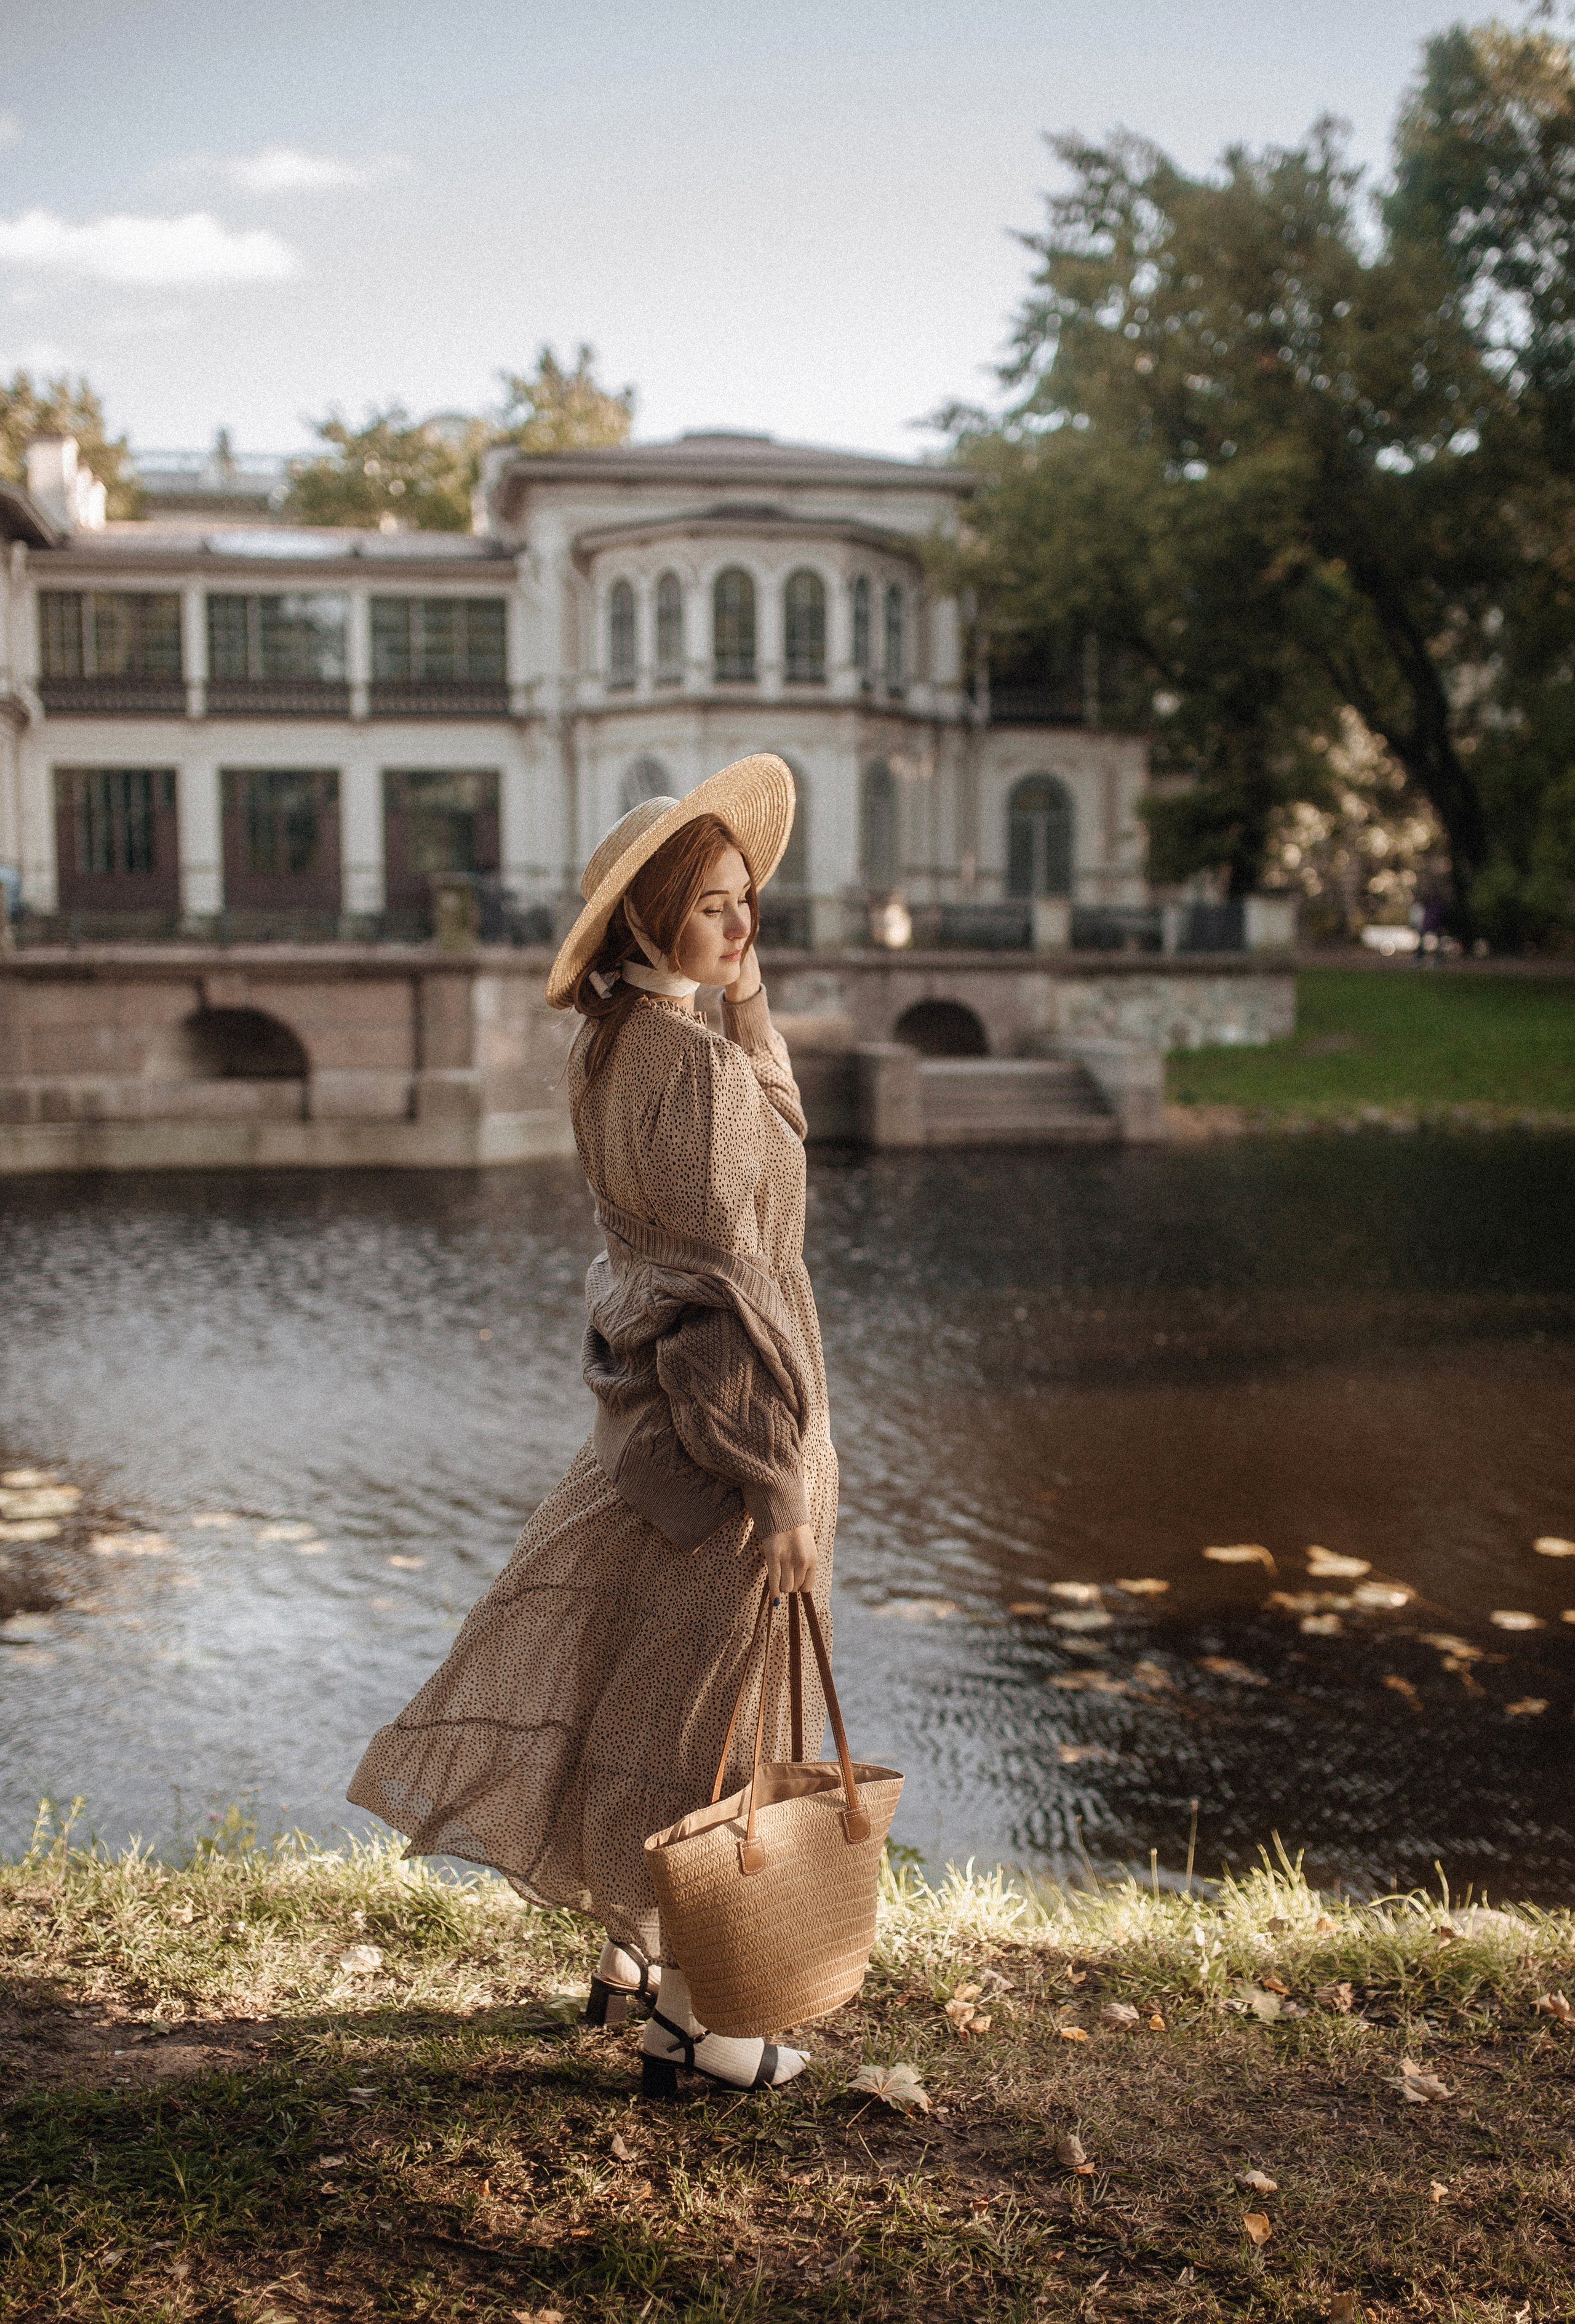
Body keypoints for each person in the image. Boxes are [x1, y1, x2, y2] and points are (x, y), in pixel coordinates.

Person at [348, 754, 837, 2098]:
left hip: (657, 1427)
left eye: (748, 901)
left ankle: (630, 1950)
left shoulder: (623, 1041)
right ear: (644, 924)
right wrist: (778, 1481)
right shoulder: (683, 1070)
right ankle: (694, 2017)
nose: (743, 926)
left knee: (632, 1671)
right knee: (710, 1716)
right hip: (721, 1433)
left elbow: (756, 1149)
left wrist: (746, 1002)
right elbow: (723, 1293)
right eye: (713, 908)